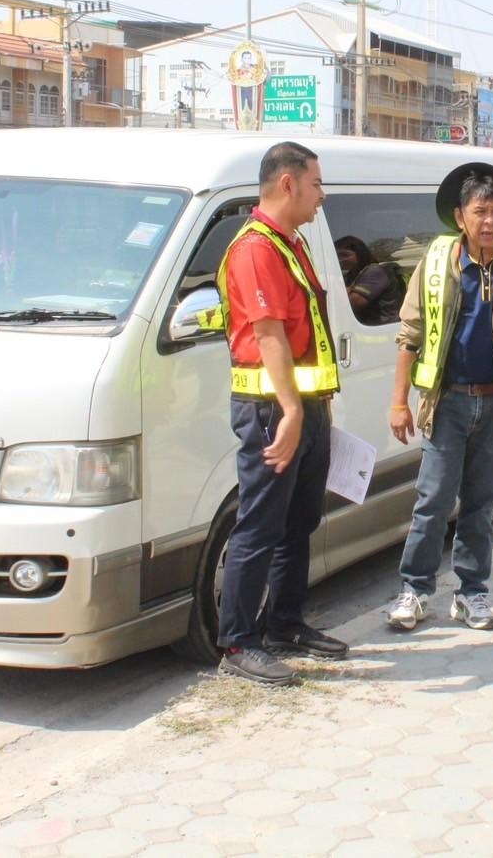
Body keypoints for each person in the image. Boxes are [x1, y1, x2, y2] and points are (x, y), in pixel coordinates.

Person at [215, 141, 350, 687]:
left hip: (305, 407)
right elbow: (268, 334)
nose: (322, 195)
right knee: (260, 524)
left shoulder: (290, 243)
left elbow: (307, 333)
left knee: (299, 522)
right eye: (316, 183)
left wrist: (318, 409)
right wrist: (292, 411)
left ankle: (285, 624)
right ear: (288, 183)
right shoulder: (255, 249)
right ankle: (238, 642)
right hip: (272, 410)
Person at [386, 163, 493, 632]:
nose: (489, 221)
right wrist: (399, 401)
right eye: (480, 211)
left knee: (481, 504)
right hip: (447, 403)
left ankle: (472, 593)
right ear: (460, 216)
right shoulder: (437, 262)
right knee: (433, 500)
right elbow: (410, 334)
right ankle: (415, 590)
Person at [334, 234, 402, 325]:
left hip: (382, 328)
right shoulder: (350, 275)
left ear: (359, 254)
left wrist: (332, 281)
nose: (340, 260)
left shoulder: (375, 271)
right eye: (337, 256)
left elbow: (353, 303)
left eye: (345, 255)